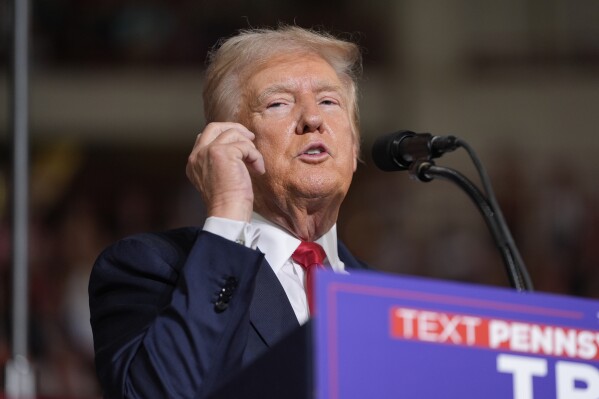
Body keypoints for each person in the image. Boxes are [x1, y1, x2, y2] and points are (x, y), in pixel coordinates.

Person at [89, 25, 369, 398]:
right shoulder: (150, 268)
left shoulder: (381, 298)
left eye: (329, 102)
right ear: (228, 144)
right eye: (278, 103)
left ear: (353, 149)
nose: (312, 119)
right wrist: (226, 214)